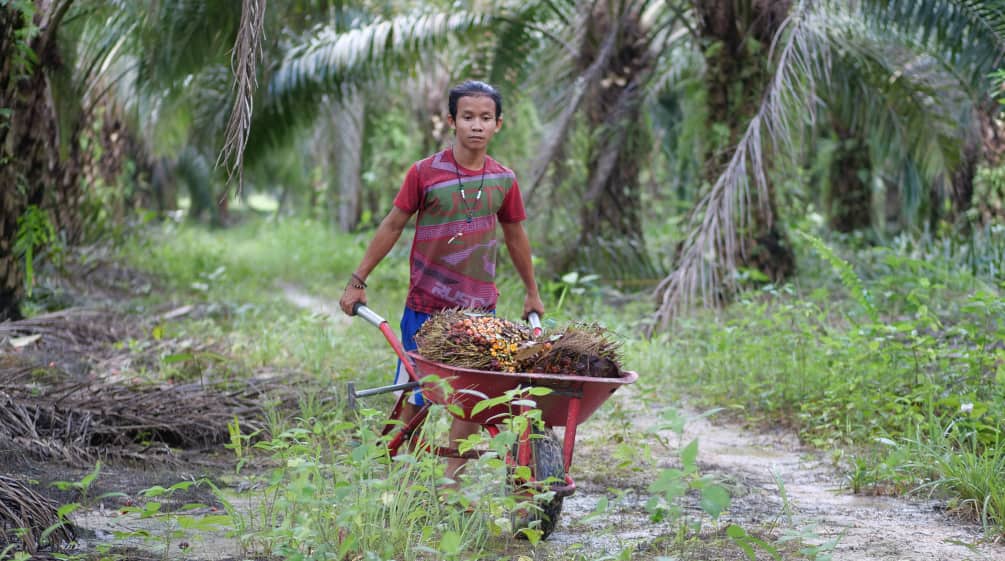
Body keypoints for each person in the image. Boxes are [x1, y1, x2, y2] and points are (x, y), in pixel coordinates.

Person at [339, 80, 544, 480]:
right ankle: (393, 473)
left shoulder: (504, 180)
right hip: (426, 308)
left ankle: (452, 482)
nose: (477, 126)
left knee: (470, 396)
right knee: (417, 393)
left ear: (498, 124)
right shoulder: (424, 173)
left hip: (479, 311)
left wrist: (533, 294)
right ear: (451, 121)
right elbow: (393, 224)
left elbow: (516, 236)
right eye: (467, 117)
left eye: (486, 118)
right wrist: (357, 279)